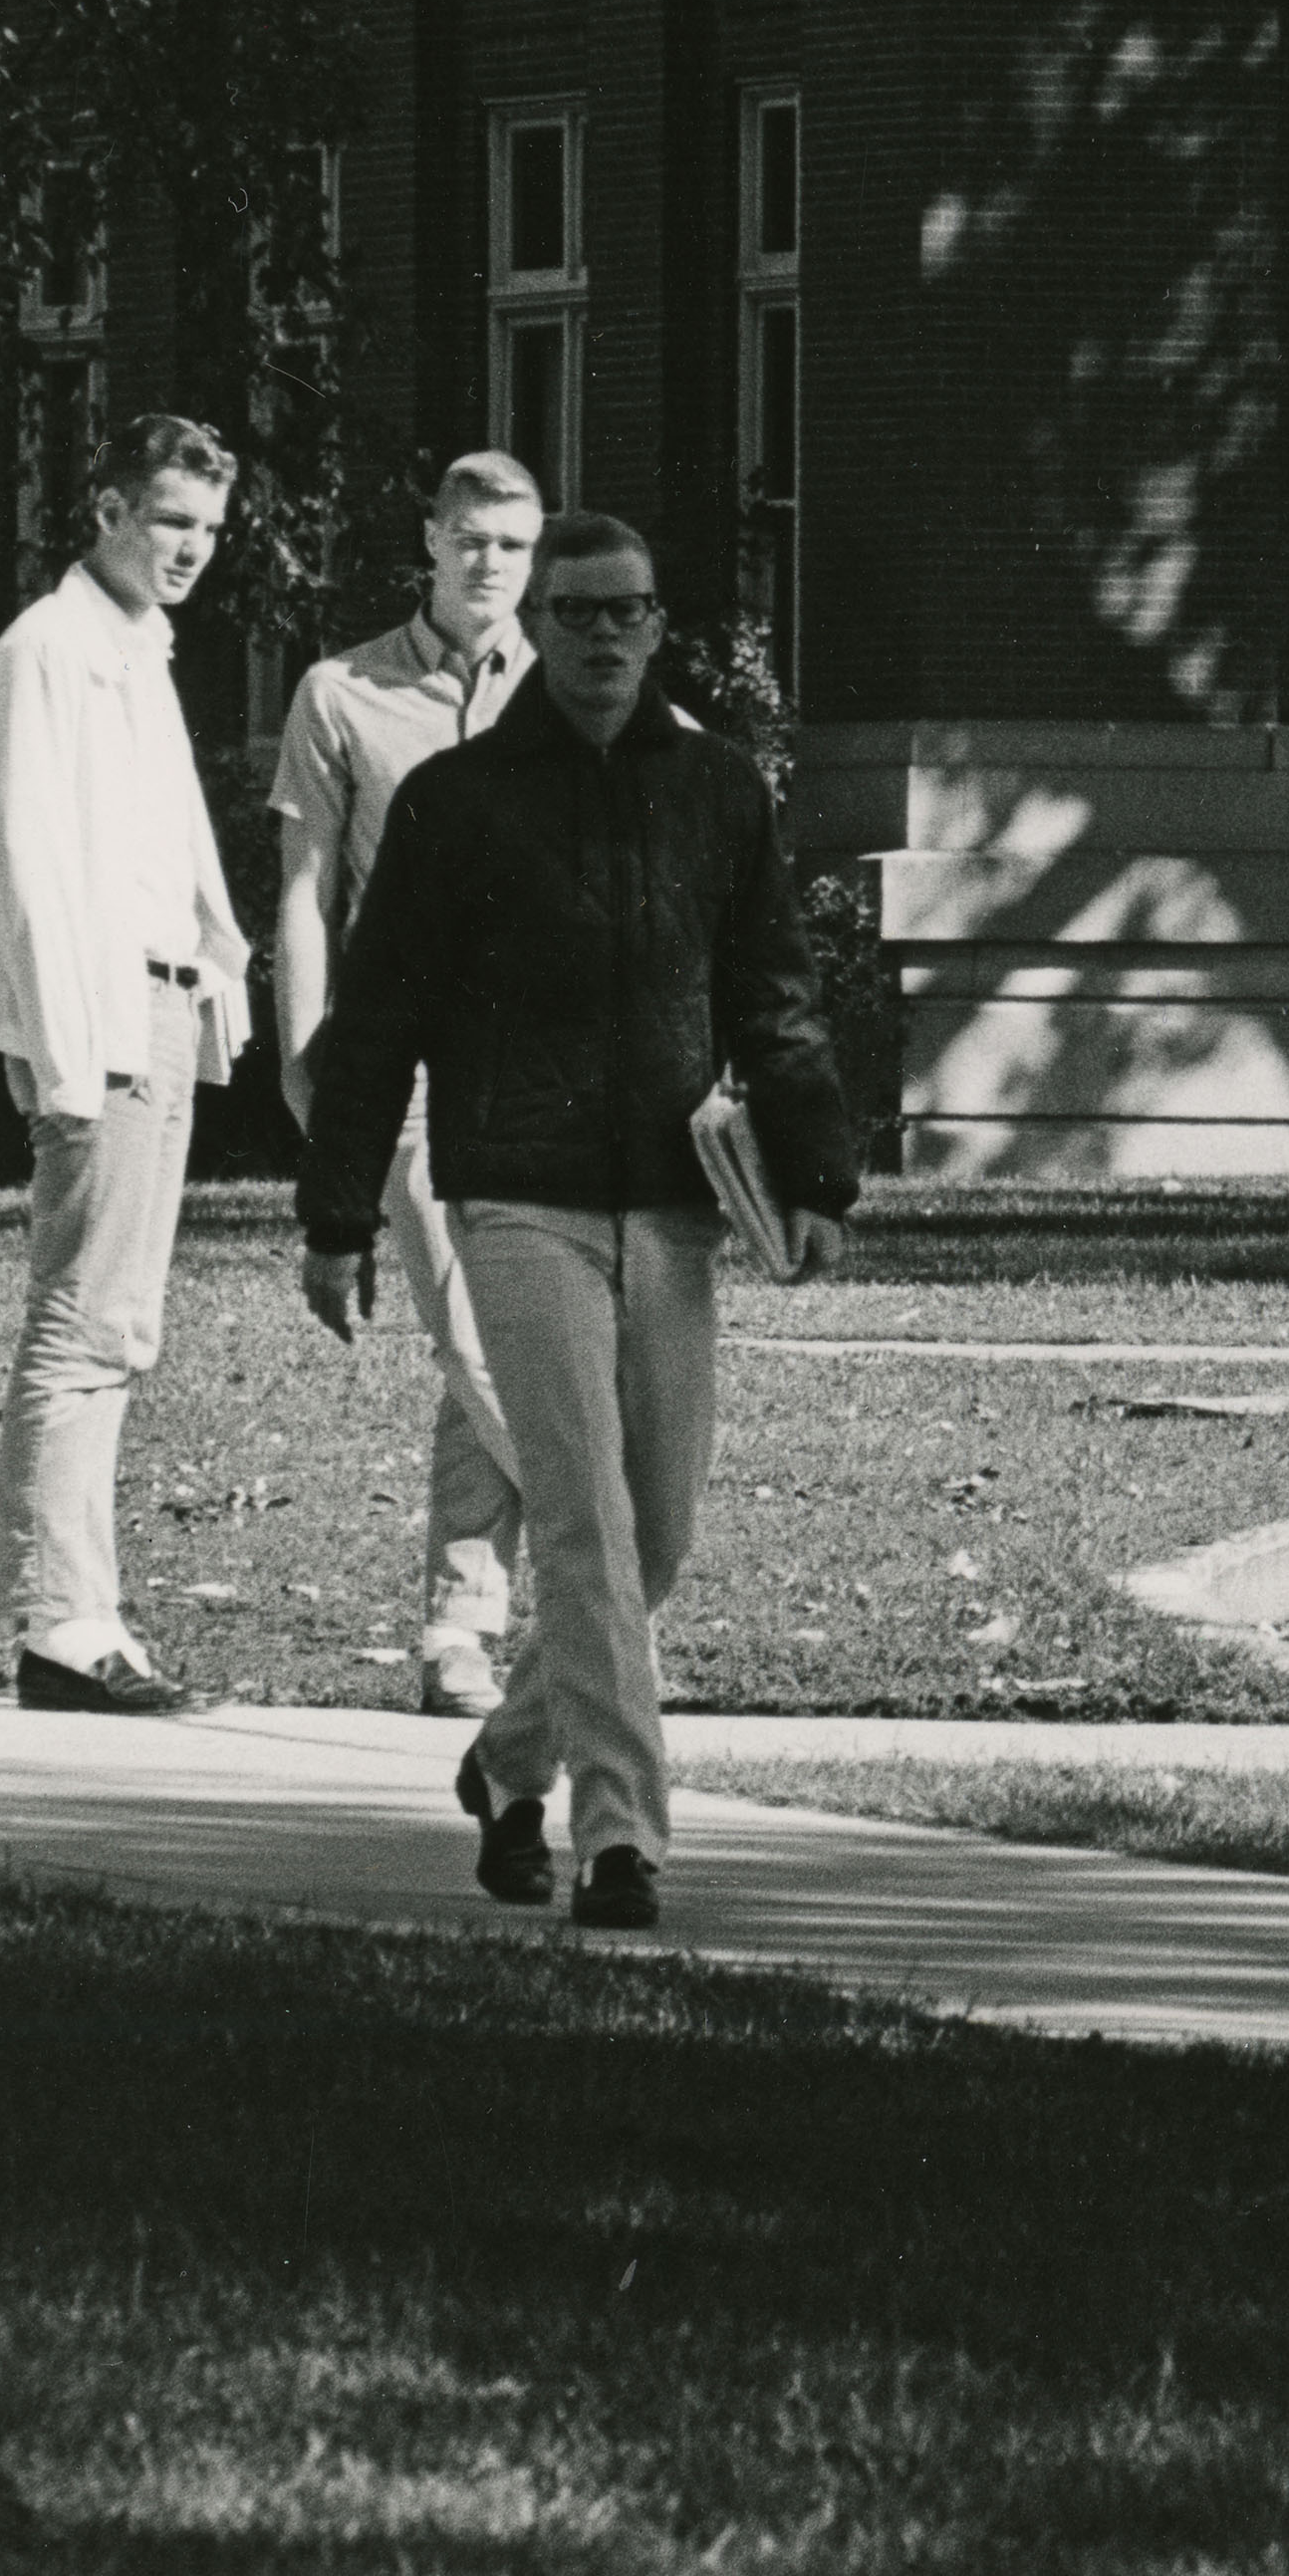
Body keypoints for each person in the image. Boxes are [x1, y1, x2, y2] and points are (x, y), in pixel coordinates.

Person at [290, 508, 858, 1932]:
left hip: (671, 1210)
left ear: (660, 626)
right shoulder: (458, 802)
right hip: (517, 1199)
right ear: (532, 627)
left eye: (630, 611)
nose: (605, 635)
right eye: (579, 612)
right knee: (588, 1521)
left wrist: (819, 1174)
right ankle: (621, 1841)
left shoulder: (721, 791)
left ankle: (503, 1763)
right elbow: (377, 1024)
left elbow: (773, 994)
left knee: (653, 1536)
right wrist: (339, 1215)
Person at [0, 410, 257, 1718]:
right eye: (170, 518)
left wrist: (218, 973)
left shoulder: (139, 653)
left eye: (206, 526)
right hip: (105, 1019)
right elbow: (22, 865)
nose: (188, 547)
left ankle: (79, 1608)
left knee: (116, 1326)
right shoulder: (48, 655)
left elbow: (164, 849)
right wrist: (65, 1053)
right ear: (109, 509)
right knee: (85, 1324)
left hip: (161, 1010)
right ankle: (59, 1621)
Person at [268, 452, 547, 1715]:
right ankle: (624, 1569)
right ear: (430, 541)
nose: (488, 563)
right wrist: (306, 1060)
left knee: (478, 1348)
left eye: (513, 544)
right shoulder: (343, 693)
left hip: (540, 1071)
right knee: (485, 1342)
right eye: (469, 539)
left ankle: (458, 1632)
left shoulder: (572, 693)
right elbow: (304, 892)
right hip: (409, 1070)